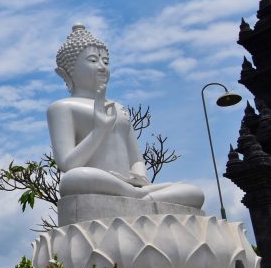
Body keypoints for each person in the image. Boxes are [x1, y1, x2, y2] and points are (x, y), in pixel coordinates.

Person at [47, 24, 203, 207]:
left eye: (105, 61)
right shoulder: (62, 108)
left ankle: (140, 198)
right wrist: (99, 130)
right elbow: (68, 165)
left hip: (131, 186)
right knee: (74, 178)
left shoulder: (118, 108)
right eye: (92, 60)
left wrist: (139, 177)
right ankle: (139, 198)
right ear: (65, 73)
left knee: (194, 192)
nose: (101, 67)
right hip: (96, 182)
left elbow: (136, 158)